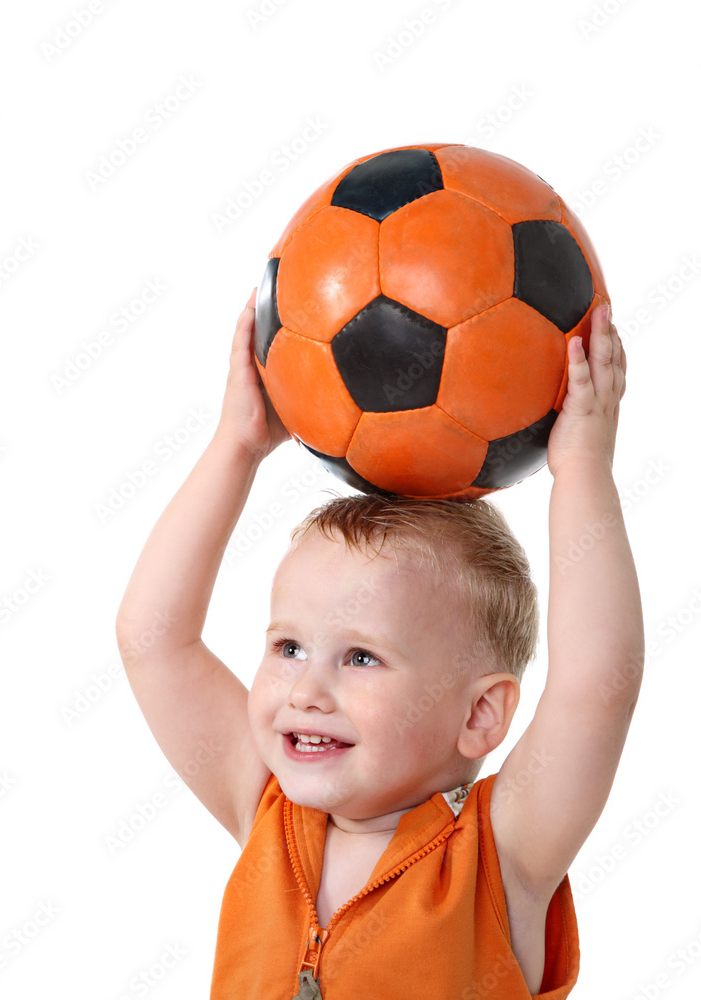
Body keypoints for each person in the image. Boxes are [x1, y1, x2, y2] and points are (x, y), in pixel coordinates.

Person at [115, 289, 642, 999]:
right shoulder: (264, 807)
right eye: (289, 647)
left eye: (360, 658)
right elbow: (152, 638)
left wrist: (582, 469)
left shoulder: (502, 857)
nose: (306, 690)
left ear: (479, 716)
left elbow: (594, 685)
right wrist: (235, 448)